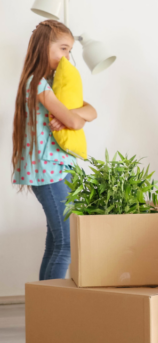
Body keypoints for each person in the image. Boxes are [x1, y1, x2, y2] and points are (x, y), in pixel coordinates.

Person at [10, 20, 98, 281]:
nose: (67, 57)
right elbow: (74, 122)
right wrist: (75, 117)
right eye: (63, 49)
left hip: (61, 169)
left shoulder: (54, 85)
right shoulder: (37, 84)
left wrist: (73, 115)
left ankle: (45, 309)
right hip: (48, 173)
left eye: (70, 51)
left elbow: (92, 112)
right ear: (42, 47)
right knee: (66, 244)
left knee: (56, 244)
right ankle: (50, 310)